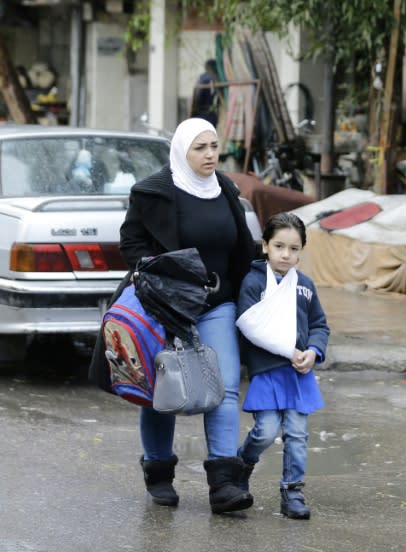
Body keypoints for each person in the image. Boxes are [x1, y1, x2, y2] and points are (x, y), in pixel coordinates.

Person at [89, 117, 257, 514]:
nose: (210, 154)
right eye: (200, 148)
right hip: (165, 306)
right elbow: (131, 241)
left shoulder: (226, 190)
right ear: (182, 150)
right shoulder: (153, 193)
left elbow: (241, 248)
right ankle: (159, 471)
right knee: (161, 392)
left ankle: (223, 484)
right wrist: (159, 273)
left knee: (225, 387)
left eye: (214, 146)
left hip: (218, 304)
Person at [235, 212, 330, 520]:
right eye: (279, 246)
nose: (286, 254)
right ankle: (242, 464)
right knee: (264, 431)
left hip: (299, 372)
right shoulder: (253, 282)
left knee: (298, 434)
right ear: (265, 246)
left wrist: (314, 351)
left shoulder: (304, 285)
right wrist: (288, 350)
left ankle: (293, 491)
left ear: (301, 250)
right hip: (266, 372)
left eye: (294, 248)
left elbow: (319, 324)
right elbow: (251, 326)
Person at [190, 59, 221, 127]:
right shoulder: (218, 78)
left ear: (206, 67)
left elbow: (197, 97)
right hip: (213, 114)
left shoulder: (202, 78)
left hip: (201, 113)